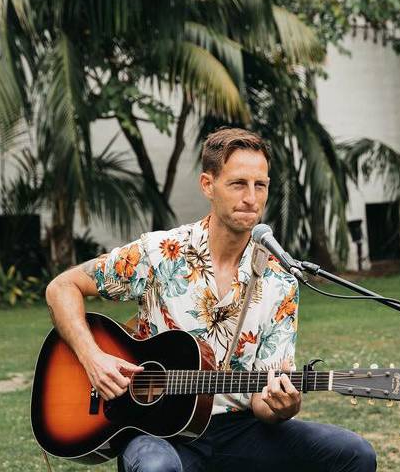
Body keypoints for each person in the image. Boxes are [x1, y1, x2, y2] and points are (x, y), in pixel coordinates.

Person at [45, 127, 376, 472]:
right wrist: (93, 358)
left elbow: (264, 401)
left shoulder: (280, 281)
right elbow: (61, 288)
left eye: (259, 185)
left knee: (354, 454)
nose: (251, 197)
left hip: (239, 429)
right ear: (208, 185)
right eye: (238, 184)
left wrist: (283, 405)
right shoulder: (159, 253)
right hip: (155, 429)